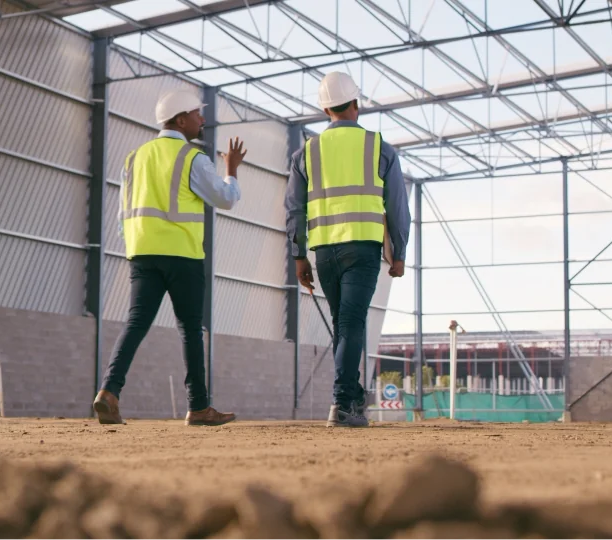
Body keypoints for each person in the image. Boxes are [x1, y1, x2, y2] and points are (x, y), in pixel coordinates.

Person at [93, 89, 247, 427]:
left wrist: (135, 244)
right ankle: (198, 407)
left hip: (142, 253)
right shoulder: (192, 158)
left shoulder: (135, 157)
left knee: (135, 324)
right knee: (191, 330)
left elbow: (123, 211)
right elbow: (225, 199)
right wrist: (232, 170)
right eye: (196, 114)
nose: (202, 119)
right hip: (182, 255)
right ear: (180, 120)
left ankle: (109, 391)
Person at [284, 72, 411, 428]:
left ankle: (353, 399)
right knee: (352, 325)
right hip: (362, 248)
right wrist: (398, 253)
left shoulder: (306, 152)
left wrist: (299, 256)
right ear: (357, 104)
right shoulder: (378, 147)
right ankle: (342, 403)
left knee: (345, 326)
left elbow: (294, 209)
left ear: (325, 108)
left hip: (325, 252)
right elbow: (398, 206)